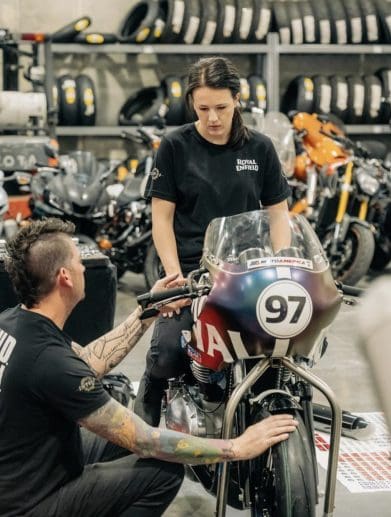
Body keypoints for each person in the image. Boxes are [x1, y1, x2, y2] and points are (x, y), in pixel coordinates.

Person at [0, 218, 298, 517]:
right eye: (79, 261)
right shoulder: (49, 361)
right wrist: (236, 447)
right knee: (163, 472)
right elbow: (144, 439)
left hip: (20, 478)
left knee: (122, 434)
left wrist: (146, 313)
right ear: (64, 277)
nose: (83, 268)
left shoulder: (15, 322)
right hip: (31, 506)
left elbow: (86, 363)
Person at [134, 56, 291, 426]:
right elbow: (162, 217)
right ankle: (148, 403)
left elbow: (279, 213)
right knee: (167, 354)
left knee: (278, 356)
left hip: (249, 274)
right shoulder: (174, 146)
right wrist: (175, 279)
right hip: (192, 273)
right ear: (192, 103)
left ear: (237, 99)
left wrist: (282, 263)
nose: (213, 118)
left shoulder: (260, 149)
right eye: (203, 108)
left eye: (221, 107)